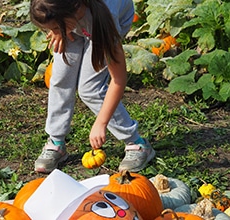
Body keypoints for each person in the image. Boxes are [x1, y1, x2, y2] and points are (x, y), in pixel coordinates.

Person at [29, 0, 155, 173]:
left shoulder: (105, 20)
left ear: (72, 12)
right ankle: (56, 142)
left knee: (90, 89)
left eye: (55, 28)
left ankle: (137, 144)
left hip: (103, 24)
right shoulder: (57, 9)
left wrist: (101, 123)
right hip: (72, 17)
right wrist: (58, 30)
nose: (52, 32)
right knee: (61, 77)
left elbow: (118, 80)